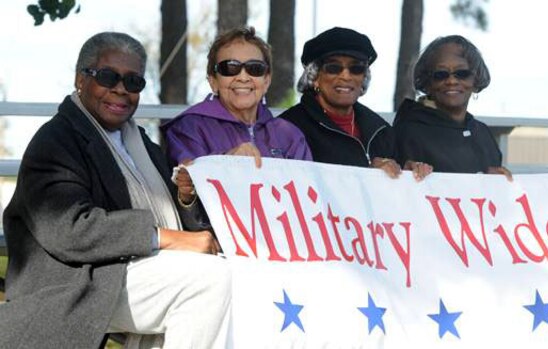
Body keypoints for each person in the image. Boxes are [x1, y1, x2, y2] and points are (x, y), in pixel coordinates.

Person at [0, 32, 230, 349]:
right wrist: (168, 237)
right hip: (75, 283)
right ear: (81, 79)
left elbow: (179, 217)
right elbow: (71, 230)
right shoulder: (56, 141)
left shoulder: (141, 146)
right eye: (109, 77)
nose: (121, 89)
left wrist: (186, 197)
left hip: (127, 270)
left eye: (134, 82)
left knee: (229, 275)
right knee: (209, 282)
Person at [162, 27, 312, 204]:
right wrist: (226, 163)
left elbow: (308, 199)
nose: (243, 77)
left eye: (255, 68)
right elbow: (188, 205)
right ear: (213, 81)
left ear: (267, 81)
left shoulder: (289, 135)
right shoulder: (189, 128)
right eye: (230, 68)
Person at [279, 27, 430, 180]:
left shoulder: (382, 131)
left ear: (364, 78)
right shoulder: (287, 127)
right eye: (334, 68)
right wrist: (366, 172)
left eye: (356, 68)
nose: (346, 76)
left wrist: (407, 173)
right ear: (314, 77)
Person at [393, 35, 511, 177]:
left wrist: (495, 180)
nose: (451, 81)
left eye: (462, 73)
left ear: (476, 79)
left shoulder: (483, 134)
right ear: (427, 82)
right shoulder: (407, 132)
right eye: (441, 74)